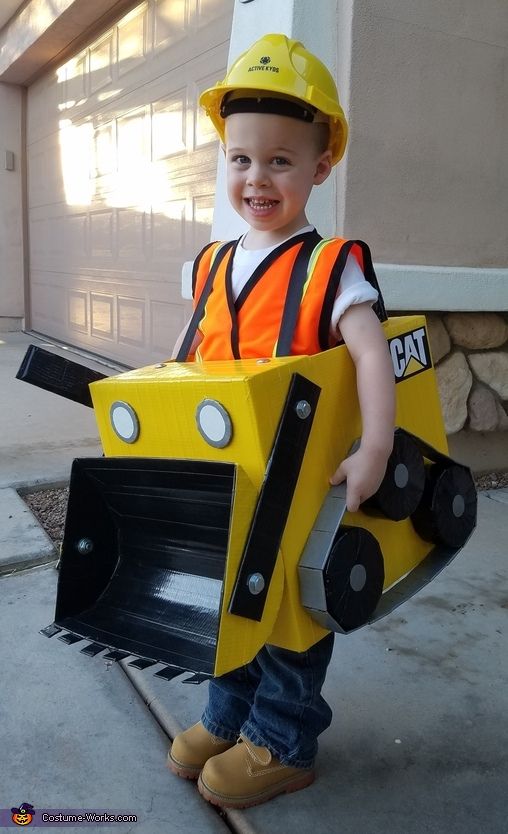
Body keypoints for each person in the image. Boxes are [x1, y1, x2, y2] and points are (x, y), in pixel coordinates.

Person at [167, 33, 395, 809]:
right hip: (228, 475)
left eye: (280, 160)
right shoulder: (208, 264)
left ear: (321, 164)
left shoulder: (333, 267)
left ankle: (284, 740)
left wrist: (375, 447)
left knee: (293, 610)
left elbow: (371, 357)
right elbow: (184, 356)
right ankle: (228, 716)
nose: (256, 178)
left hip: (302, 478)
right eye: (241, 158)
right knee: (229, 600)